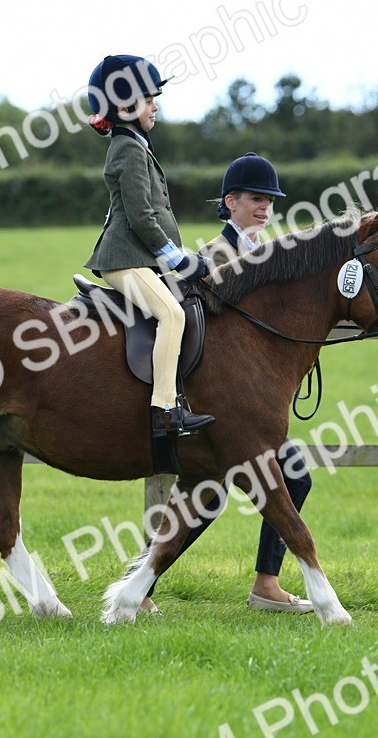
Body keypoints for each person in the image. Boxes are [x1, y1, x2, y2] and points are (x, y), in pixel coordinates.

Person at [142, 152, 315, 614]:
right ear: (230, 202)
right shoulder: (215, 257)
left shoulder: (268, 254)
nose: (265, 208)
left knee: (292, 472)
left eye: (270, 201)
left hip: (248, 402)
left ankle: (266, 584)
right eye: (256, 199)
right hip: (213, 399)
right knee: (211, 494)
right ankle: (144, 586)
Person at [83, 54, 215, 439]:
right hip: (124, 260)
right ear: (124, 107)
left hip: (136, 258)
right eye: (148, 99)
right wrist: (179, 259)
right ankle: (164, 411)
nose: (156, 106)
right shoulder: (128, 149)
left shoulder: (137, 144)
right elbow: (141, 216)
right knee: (172, 315)